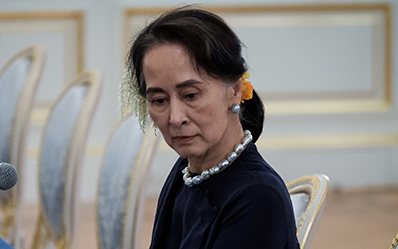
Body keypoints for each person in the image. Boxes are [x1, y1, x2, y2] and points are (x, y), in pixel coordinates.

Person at [120, 6, 300, 249]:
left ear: (235, 91)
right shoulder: (187, 170)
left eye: (190, 95)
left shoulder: (258, 198)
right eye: (159, 100)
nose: (175, 118)